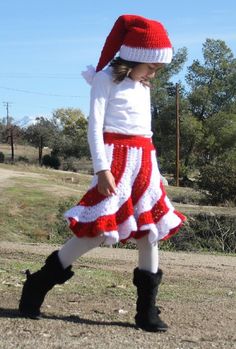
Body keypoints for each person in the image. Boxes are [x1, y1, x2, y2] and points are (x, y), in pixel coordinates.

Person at [19, 14, 186, 332]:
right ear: (136, 56)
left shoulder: (142, 86)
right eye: (151, 66)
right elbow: (95, 129)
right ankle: (38, 284)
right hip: (115, 163)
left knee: (149, 233)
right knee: (96, 233)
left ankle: (146, 311)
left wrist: (156, 171)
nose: (153, 73)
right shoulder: (104, 79)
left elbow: (146, 134)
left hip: (143, 164)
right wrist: (102, 169)